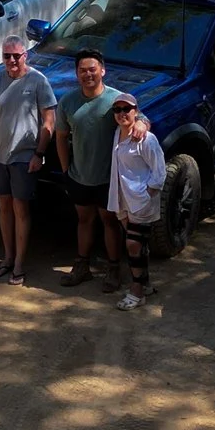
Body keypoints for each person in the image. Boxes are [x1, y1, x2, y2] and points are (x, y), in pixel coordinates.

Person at [0, 35, 56, 284]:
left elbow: (49, 120)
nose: (12, 60)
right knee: (3, 207)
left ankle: (19, 264)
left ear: (25, 55)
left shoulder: (38, 81)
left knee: (20, 208)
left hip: (25, 156)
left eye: (17, 55)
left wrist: (39, 153)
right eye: (7, 56)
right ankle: (7, 256)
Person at [55, 50, 126, 289]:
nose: (88, 74)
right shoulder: (67, 102)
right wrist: (66, 170)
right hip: (79, 176)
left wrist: (140, 124)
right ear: (76, 74)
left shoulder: (116, 100)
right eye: (83, 70)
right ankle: (82, 266)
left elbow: (139, 117)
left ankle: (113, 269)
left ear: (102, 70)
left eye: (92, 69)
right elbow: (61, 137)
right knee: (84, 219)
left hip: (108, 177)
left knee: (109, 221)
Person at [108, 96, 167, 309]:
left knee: (133, 244)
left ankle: (137, 291)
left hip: (140, 201)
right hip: (122, 198)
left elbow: (159, 172)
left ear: (136, 111)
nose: (122, 113)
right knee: (138, 245)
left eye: (127, 109)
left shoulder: (146, 139)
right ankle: (146, 283)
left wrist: (146, 194)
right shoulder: (117, 134)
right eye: (117, 109)